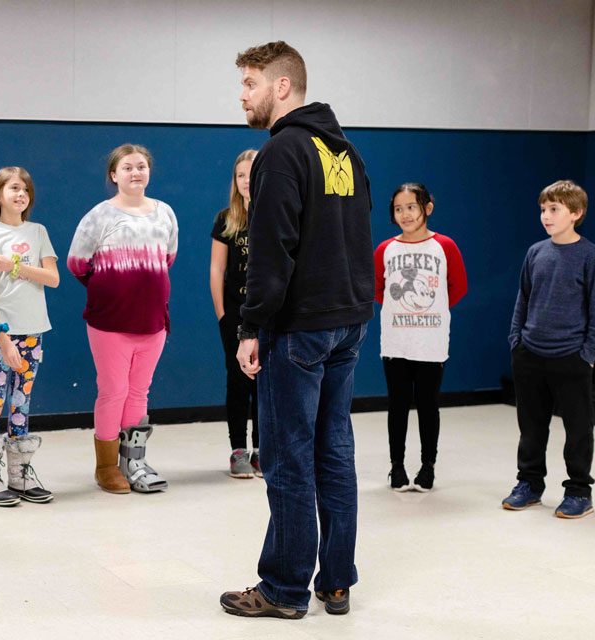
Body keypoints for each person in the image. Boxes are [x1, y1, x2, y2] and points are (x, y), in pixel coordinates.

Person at [219, 41, 374, 620]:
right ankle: (335, 583)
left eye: (250, 83)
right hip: (347, 323)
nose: (242, 95)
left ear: (282, 87)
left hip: (301, 329)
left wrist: (251, 324)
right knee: (334, 451)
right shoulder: (344, 151)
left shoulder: (281, 151)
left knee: (287, 458)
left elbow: (272, 249)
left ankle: (284, 589)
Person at [67, 144, 178, 494]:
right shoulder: (99, 216)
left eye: (141, 166)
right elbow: (77, 264)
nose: (135, 172)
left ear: (149, 172)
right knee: (113, 391)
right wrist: (114, 287)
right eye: (127, 167)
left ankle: (134, 462)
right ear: (114, 175)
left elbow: (168, 258)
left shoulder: (165, 214)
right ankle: (105, 467)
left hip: (152, 321)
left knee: (138, 393)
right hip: (110, 322)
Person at [503, 179, 595, 518]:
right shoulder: (536, 252)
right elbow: (523, 298)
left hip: (572, 358)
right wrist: (516, 341)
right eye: (543, 210)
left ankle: (579, 491)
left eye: (554, 210)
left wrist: (588, 353)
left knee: (578, 429)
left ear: (576, 213)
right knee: (531, 427)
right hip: (530, 354)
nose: (546, 216)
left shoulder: (590, 256)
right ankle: (530, 484)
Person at [0, 167, 59, 507]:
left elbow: (52, 278)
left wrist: (14, 266)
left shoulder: (38, 232)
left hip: (33, 331)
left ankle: (19, 474)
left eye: (25, 189)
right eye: (13, 188)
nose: (20, 194)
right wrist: (2, 338)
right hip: (0, 334)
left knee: (22, 402)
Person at [374, 184, 467, 492]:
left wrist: (431, 311)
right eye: (398, 209)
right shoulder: (385, 249)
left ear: (427, 208)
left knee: (428, 404)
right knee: (397, 404)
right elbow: (378, 289)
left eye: (411, 207)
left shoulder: (445, 246)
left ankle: (428, 466)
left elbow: (458, 287)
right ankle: (396, 467)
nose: (405, 214)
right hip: (396, 341)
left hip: (432, 342)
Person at [210, 149, 261, 478]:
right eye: (240, 174)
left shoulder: (279, 213)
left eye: (252, 173)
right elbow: (217, 270)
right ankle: (238, 450)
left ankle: (262, 449)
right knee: (239, 382)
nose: (246, 180)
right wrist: (222, 315)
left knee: (265, 384)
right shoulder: (227, 219)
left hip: (270, 316)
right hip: (236, 316)